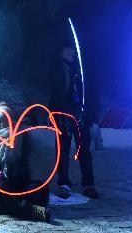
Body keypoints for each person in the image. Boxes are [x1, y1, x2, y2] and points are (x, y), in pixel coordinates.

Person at [0, 102, 51, 222]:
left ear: (10, 119)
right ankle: (32, 211)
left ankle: (2, 208)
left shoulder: (21, 135)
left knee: (40, 191)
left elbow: (30, 161)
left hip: (19, 182)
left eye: (4, 119)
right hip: (2, 184)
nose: (2, 123)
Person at [49, 36, 98, 199]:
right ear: (60, 52)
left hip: (81, 116)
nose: (71, 52)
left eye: (72, 49)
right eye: (67, 50)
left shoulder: (82, 70)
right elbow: (55, 94)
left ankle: (88, 184)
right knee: (62, 151)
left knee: (84, 150)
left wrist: (91, 115)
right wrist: (55, 114)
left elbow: (91, 94)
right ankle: (64, 184)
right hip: (62, 115)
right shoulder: (57, 69)